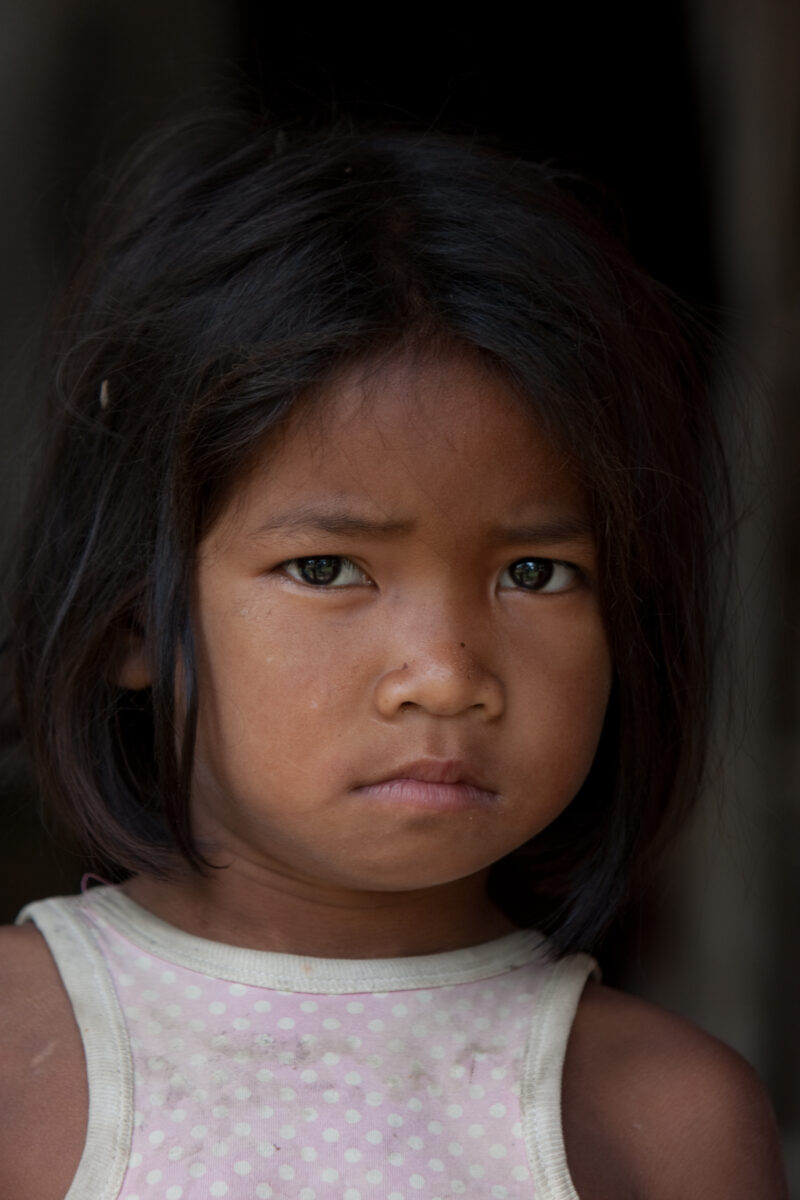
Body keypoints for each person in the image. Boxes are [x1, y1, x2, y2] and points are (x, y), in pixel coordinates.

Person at [0, 111, 787, 1200]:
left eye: (534, 574)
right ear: (135, 619)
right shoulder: (22, 1057)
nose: (447, 674)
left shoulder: (663, 1118)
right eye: (327, 569)